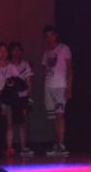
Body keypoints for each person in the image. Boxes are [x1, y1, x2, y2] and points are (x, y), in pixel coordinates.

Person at [41, 25, 72, 156]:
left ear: (56, 35)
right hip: (49, 87)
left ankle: (62, 144)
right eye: (46, 36)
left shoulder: (64, 48)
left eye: (51, 35)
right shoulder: (46, 53)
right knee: (54, 117)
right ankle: (58, 144)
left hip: (60, 86)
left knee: (60, 115)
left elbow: (70, 69)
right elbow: (45, 72)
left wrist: (69, 87)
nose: (49, 38)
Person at [4, 42, 35, 156]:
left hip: (23, 97)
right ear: (10, 52)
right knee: (10, 123)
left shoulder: (25, 64)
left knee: (23, 122)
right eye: (14, 50)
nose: (17, 52)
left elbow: (29, 82)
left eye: (19, 50)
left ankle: (23, 147)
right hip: (10, 98)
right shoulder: (7, 65)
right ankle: (9, 148)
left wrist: (29, 98)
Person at [0, 42, 15, 155]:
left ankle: (9, 147)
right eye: (0, 50)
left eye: (5, 50)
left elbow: (18, 81)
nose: (3, 53)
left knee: (9, 122)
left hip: (8, 98)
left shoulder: (11, 67)